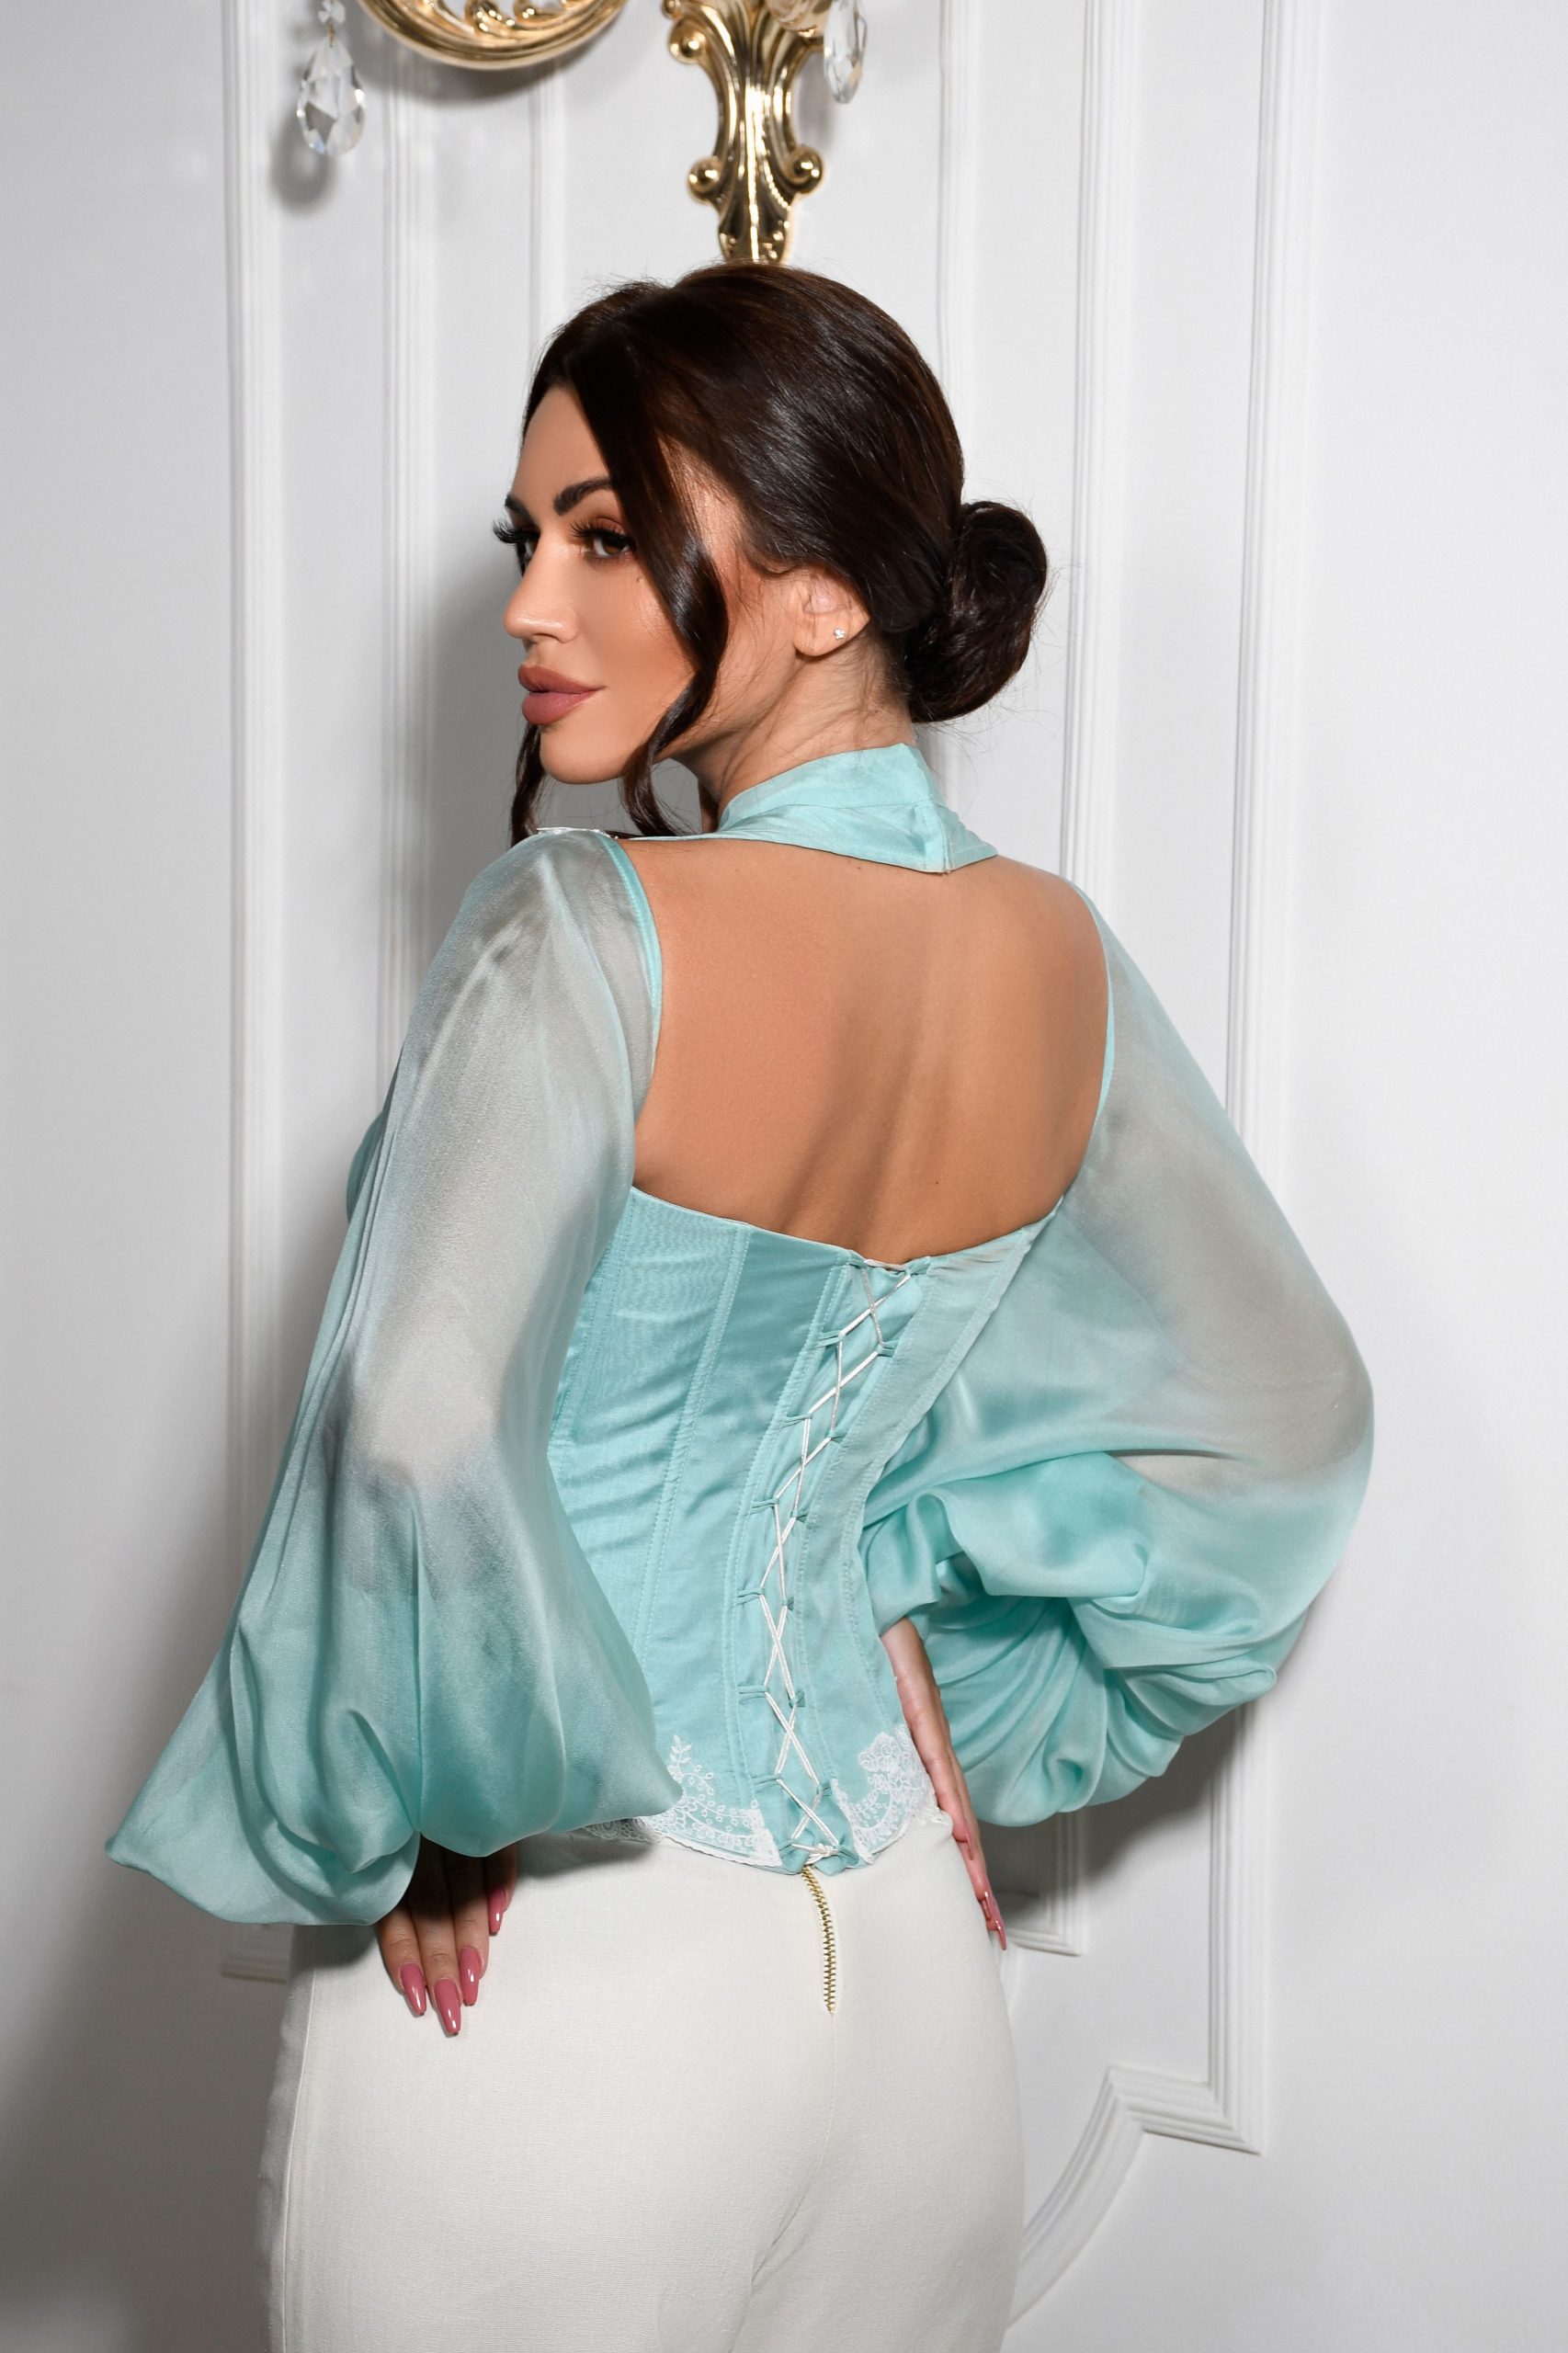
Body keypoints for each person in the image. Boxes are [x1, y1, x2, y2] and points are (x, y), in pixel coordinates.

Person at [105, 264, 1374, 2352]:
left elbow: (414, 1427)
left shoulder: (577, 925)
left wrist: (451, 1787)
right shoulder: (1054, 958)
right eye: (525, 539)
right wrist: (894, 1603)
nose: (530, 605)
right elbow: (1288, 1419)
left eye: (608, 536)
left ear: (824, 593)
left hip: (564, 1999)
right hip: (907, 1989)